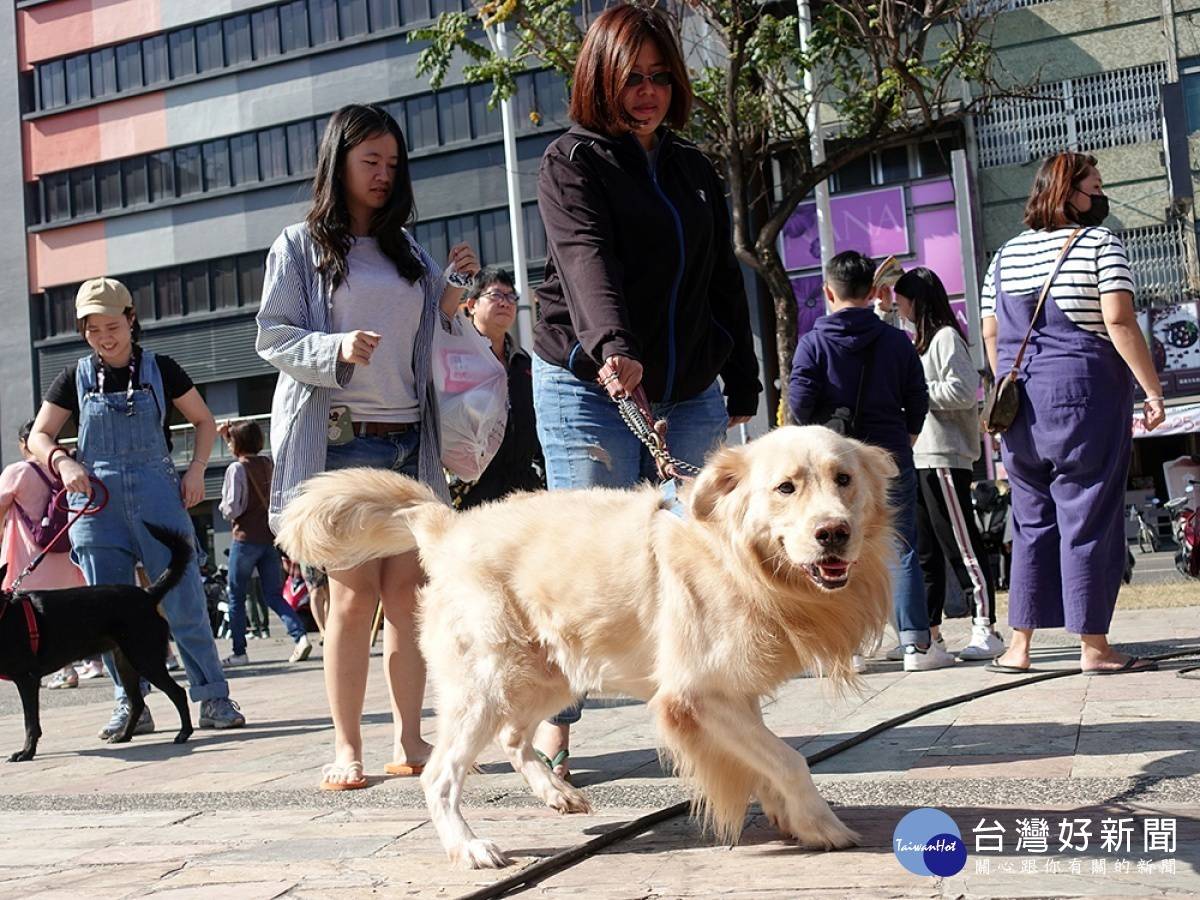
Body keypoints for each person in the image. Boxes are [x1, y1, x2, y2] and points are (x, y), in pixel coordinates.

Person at [531, 5, 762, 779]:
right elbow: (585, 259)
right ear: (600, 77)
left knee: (703, 553)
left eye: (662, 77)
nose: (649, 92)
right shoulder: (572, 162)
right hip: (585, 382)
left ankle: (713, 713)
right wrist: (615, 349)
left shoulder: (693, 167)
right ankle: (555, 723)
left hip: (689, 383)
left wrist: (745, 375)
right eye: (633, 77)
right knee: (586, 561)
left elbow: (722, 277)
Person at [257, 103, 479, 791]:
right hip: (343, 447)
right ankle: (347, 747)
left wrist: (456, 289)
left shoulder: (405, 249)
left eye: (391, 163)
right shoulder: (298, 246)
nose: (384, 175)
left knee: (410, 599)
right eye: (370, 163)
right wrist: (334, 348)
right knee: (352, 601)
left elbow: (429, 330)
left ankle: (410, 738)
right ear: (339, 164)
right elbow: (271, 335)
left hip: (410, 443)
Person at [27, 277, 246, 737]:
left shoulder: (163, 369)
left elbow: (204, 421)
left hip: (157, 493)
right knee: (105, 613)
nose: (104, 337)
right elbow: (38, 435)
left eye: (112, 326)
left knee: (185, 600)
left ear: (131, 319)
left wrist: (195, 470)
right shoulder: (74, 377)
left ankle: (214, 699)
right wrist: (62, 461)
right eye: (92, 330)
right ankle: (131, 706)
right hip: (95, 503)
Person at [980, 152, 1165, 675]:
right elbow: (1119, 320)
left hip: (1018, 403)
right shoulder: (1101, 243)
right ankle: (1093, 646)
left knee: (1031, 521)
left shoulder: (1005, 255)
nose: (1101, 196)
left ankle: (1019, 647)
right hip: (1083, 396)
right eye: (1095, 187)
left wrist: (1009, 389)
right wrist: (1152, 392)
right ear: (1069, 194)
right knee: (1087, 516)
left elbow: (993, 333)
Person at [789, 250, 952, 672]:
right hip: (888, 460)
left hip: (829, 468)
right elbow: (918, 396)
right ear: (873, 292)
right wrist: (907, 436)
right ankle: (916, 645)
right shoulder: (896, 341)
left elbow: (799, 404)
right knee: (900, 546)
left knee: (832, 554)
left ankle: (848, 650)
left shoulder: (814, 343)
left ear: (828, 292)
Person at [890, 267, 1004, 660]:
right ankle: (930, 634)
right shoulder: (919, 343)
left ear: (916, 301)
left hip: (944, 455)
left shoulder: (946, 338)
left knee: (962, 545)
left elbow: (961, 391)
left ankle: (986, 629)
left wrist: (914, 393)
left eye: (901, 301)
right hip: (921, 456)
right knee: (924, 552)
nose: (897, 308)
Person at [0, 419, 89, 688]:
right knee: (67, 614)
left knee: (30, 619)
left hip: (30, 556)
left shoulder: (17, 471)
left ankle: (61, 670)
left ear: (22, 444)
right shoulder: (67, 470)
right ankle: (74, 664)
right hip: (65, 554)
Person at [217, 419, 312, 667]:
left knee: (236, 597)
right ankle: (300, 637)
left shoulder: (236, 470)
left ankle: (239, 652)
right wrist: (229, 434)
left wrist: (223, 507)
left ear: (237, 443)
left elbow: (232, 509)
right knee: (273, 595)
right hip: (268, 539)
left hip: (244, 540)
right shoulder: (268, 463)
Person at [449, 267, 543, 510]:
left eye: (511, 296)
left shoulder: (524, 363)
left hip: (524, 489)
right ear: (471, 304)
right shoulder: (456, 360)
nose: (505, 303)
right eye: (495, 296)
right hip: (472, 491)